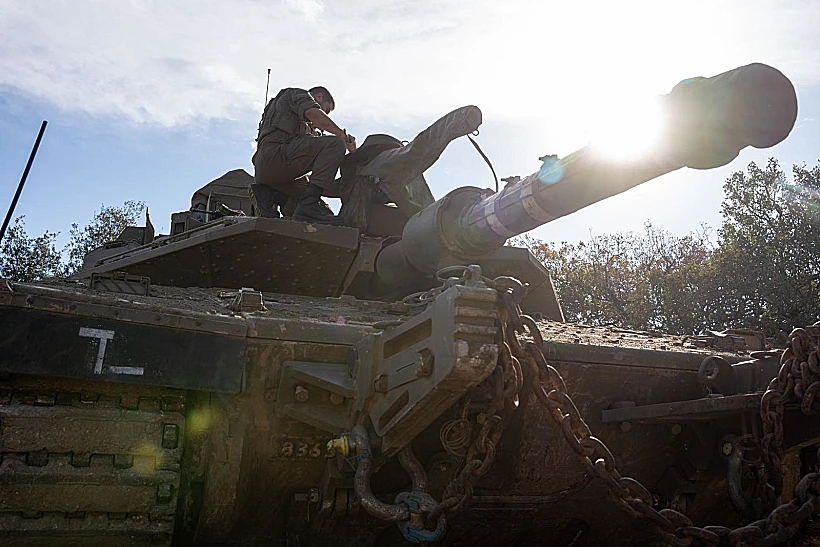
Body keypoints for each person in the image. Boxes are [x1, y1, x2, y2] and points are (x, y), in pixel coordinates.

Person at [251, 86, 356, 224]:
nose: (326, 114)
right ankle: (307, 208)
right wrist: (344, 137)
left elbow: (322, 179)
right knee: (335, 144)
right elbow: (315, 115)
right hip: (275, 156)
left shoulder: (307, 128)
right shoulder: (296, 94)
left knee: (323, 213)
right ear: (318, 97)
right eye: (326, 110)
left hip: (278, 174)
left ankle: (270, 195)